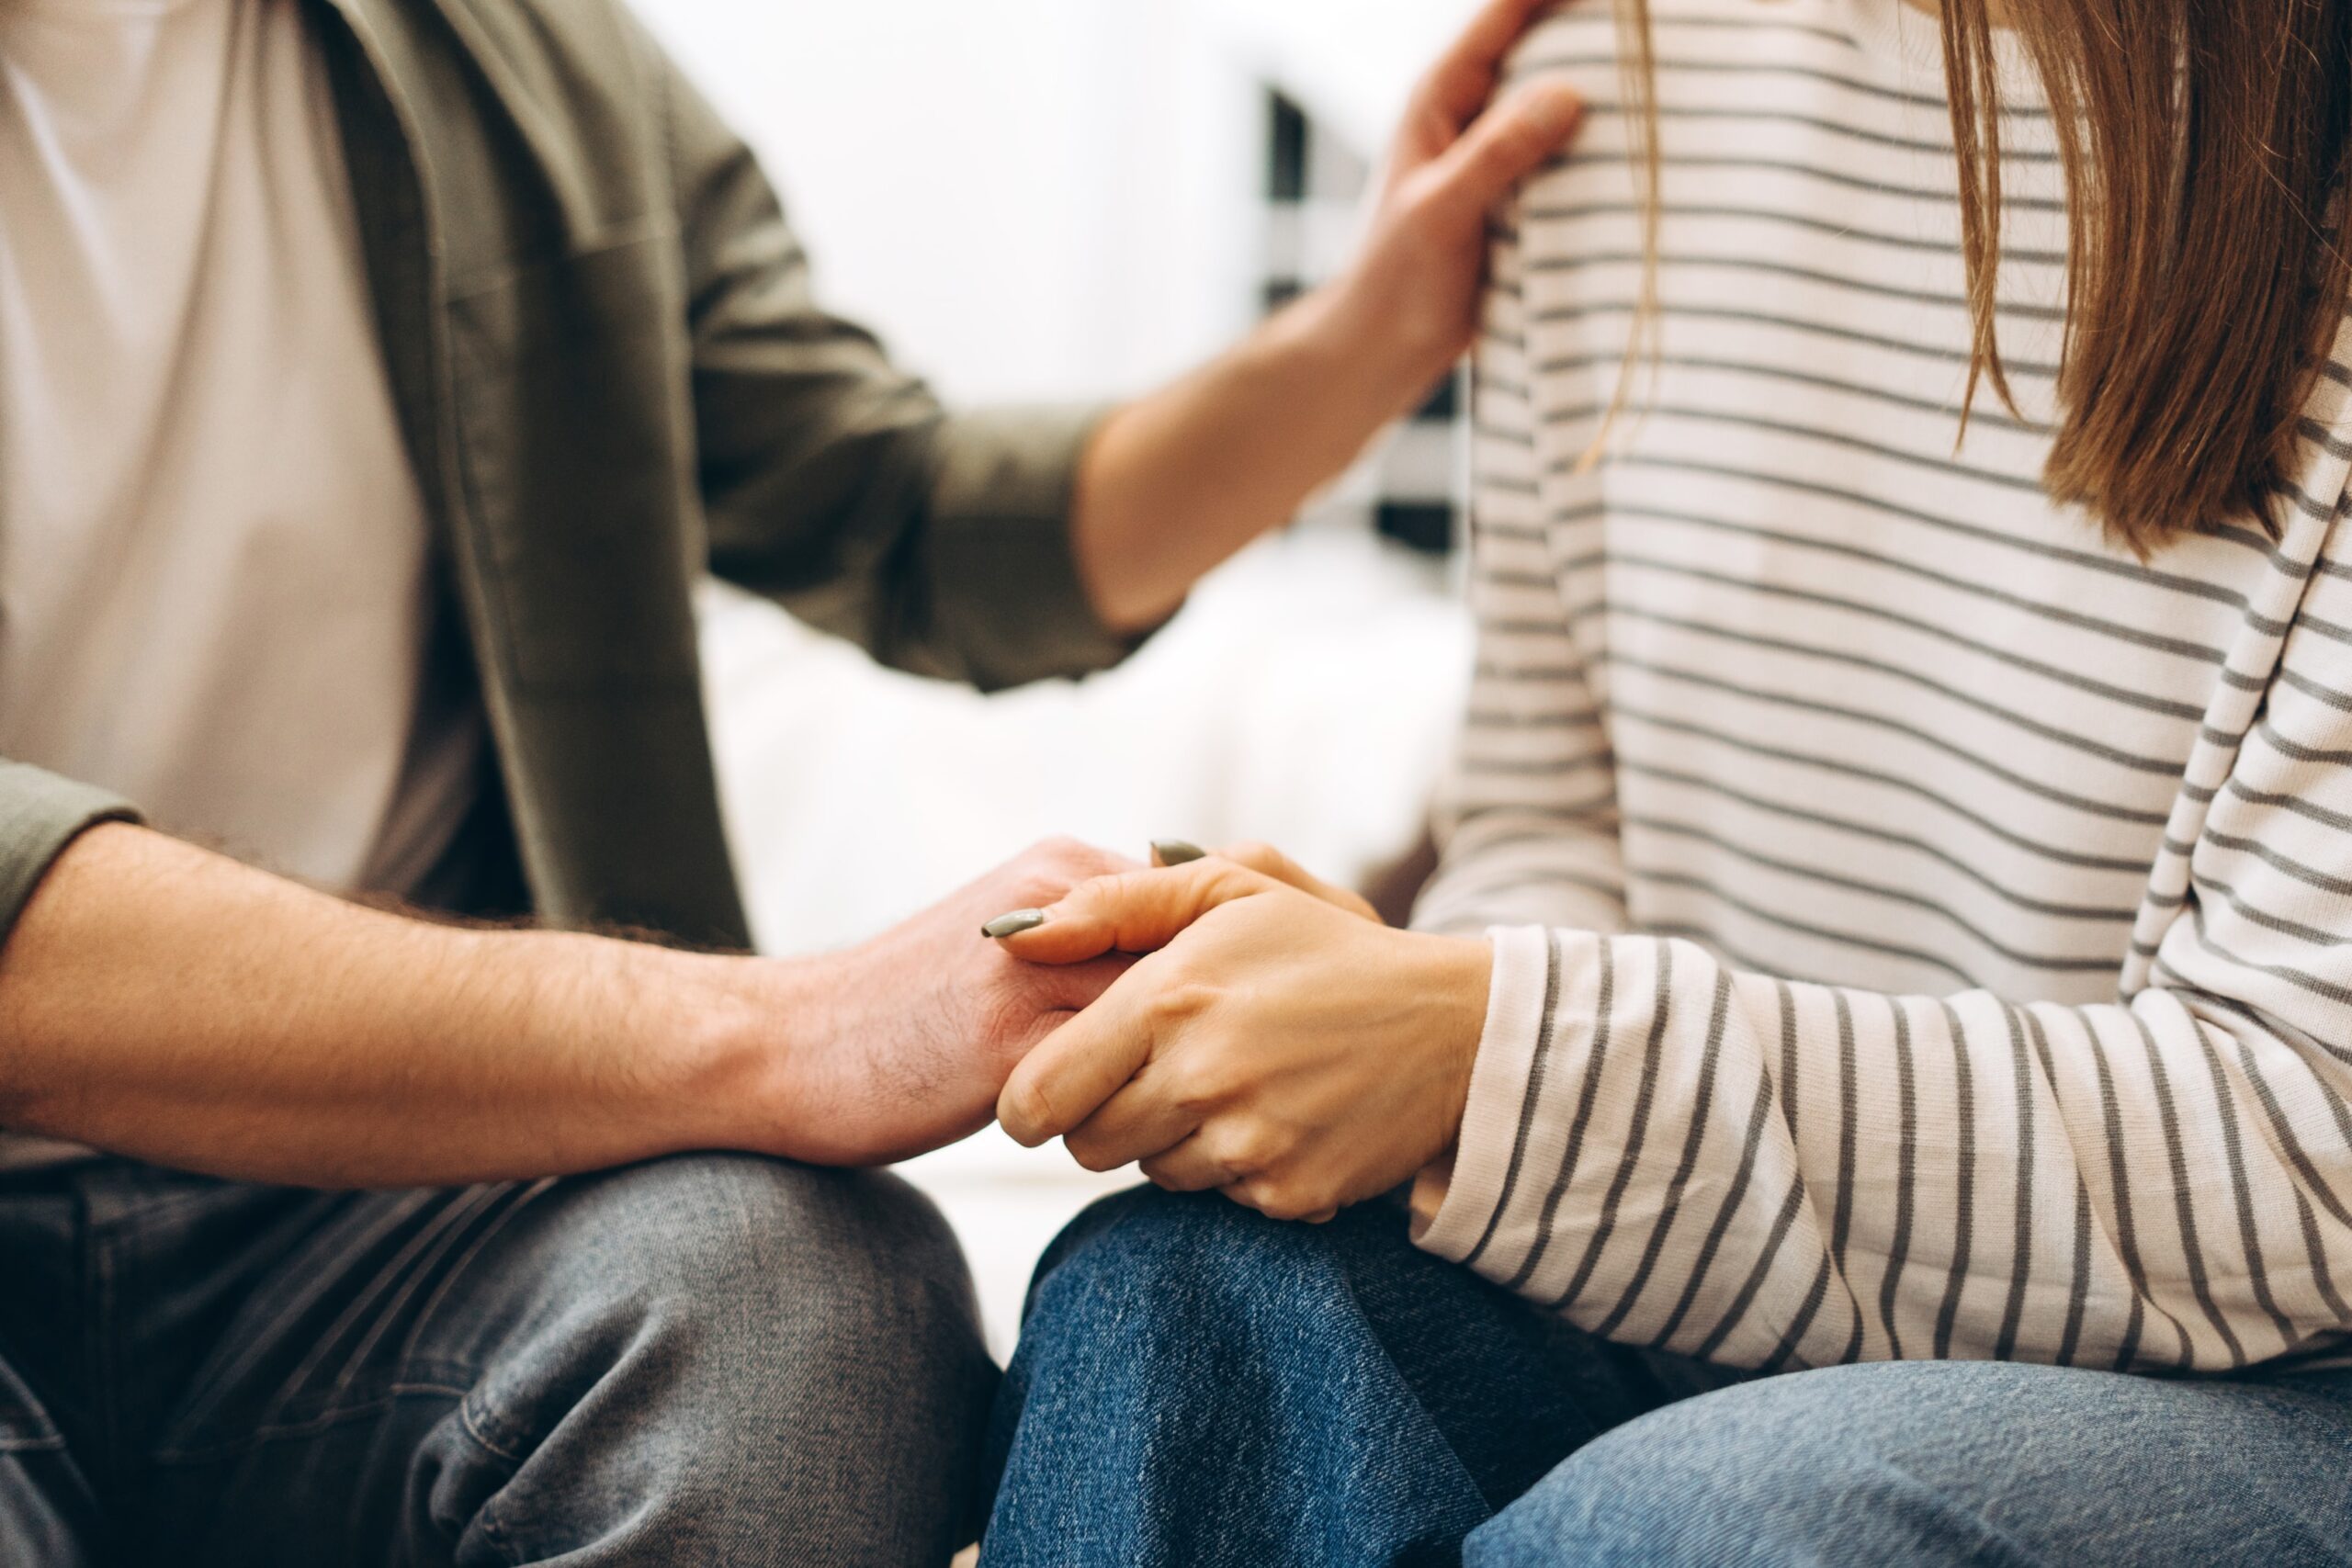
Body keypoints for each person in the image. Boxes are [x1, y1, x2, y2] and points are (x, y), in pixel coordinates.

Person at [0, 0, 1585, 1558]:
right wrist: (785, 1033)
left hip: (395, 1197)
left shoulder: (510, 57)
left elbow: (903, 516)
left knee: (804, 1303)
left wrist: (1373, 331)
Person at [978, 0, 2352, 1562]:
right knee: (1169, 1311)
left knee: (1697, 1527)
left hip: (2276, 1371)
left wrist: (1494, 1055)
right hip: (1709, 1281)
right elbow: (1551, 817)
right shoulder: (1599, 83)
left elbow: (2316, 1154)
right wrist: (1419, 1020)